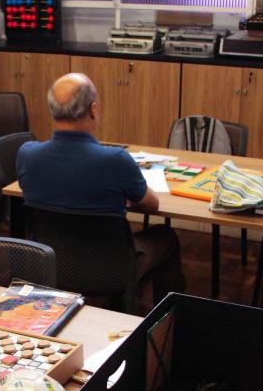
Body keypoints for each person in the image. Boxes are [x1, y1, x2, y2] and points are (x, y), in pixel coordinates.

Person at [17, 72, 185, 303]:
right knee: (166, 237)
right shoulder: (115, 160)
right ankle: (166, 321)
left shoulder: (27, 154)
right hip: (113, 271)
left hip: (51, 264)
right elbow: (151, 204)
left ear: (53, 111)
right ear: (93, 110)